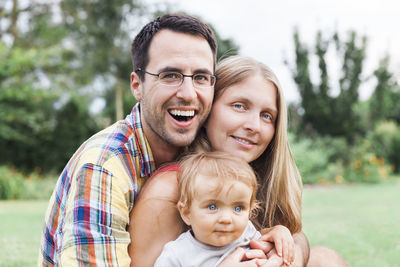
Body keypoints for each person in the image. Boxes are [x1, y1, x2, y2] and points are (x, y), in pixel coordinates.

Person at [129, 56, 349, 267]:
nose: (254, 125)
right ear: (208, 109)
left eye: (266, 116)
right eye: (239, 106)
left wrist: (291, 251)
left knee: (327, 258)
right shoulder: (171, 187)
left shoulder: (253, 174)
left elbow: (294, 233)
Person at [38, 13, 217, 266]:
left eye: (200, 77)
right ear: (137, 86)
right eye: (170, 75)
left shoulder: (206, 150)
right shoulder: (103, 168)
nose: (188, 94)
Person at [154, 151, 295, 267]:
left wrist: (279, 232)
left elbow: (266, 240)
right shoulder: (176, 255)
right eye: (212, 206)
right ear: (186, 213)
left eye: (238, 208)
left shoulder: (247, 233)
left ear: (250, 211)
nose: (227, 219)